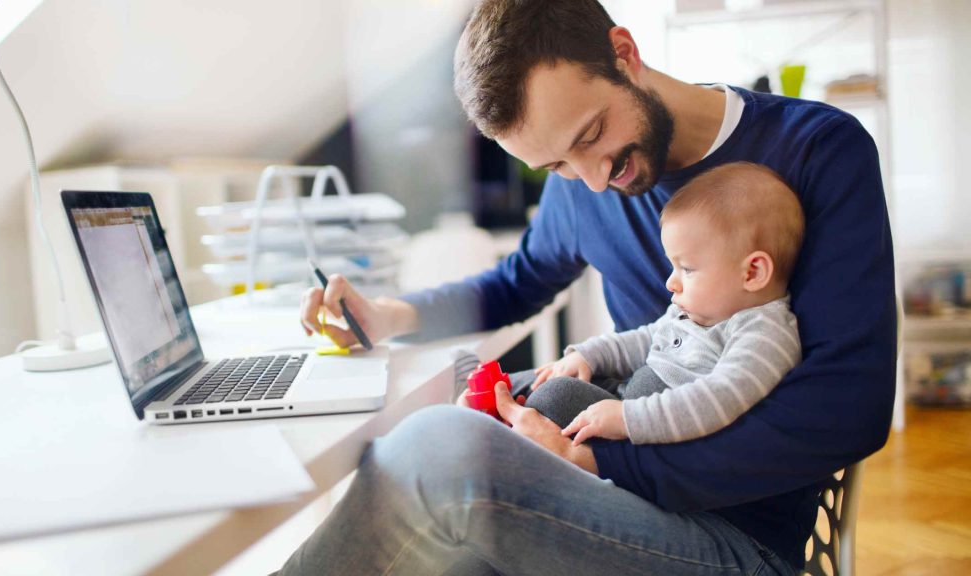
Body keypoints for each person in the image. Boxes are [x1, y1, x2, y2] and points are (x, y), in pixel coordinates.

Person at [281, 0, 896, 573]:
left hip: (731, 534)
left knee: (443, 455)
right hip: (601, 488)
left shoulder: (816, 150)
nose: (593, 182)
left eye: (590, 135)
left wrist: (602, 460)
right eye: (555, 166)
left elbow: (850, 412)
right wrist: (387, 314)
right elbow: (516, 283)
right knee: (436, 447)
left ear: (623, 53)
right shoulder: (581, 181)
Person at [506, 161, 805, 447]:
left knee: (551, 402)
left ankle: (502, 436)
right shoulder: (693, 312)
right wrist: (589, 355)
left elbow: (720, 399)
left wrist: (628, 419)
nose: (671, 283)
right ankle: (491, 405)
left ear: (752, 273)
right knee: (553, 386)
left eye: (686, 269)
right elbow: (645, 339)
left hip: (652, 439)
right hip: (626, 401)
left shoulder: (764, 333)